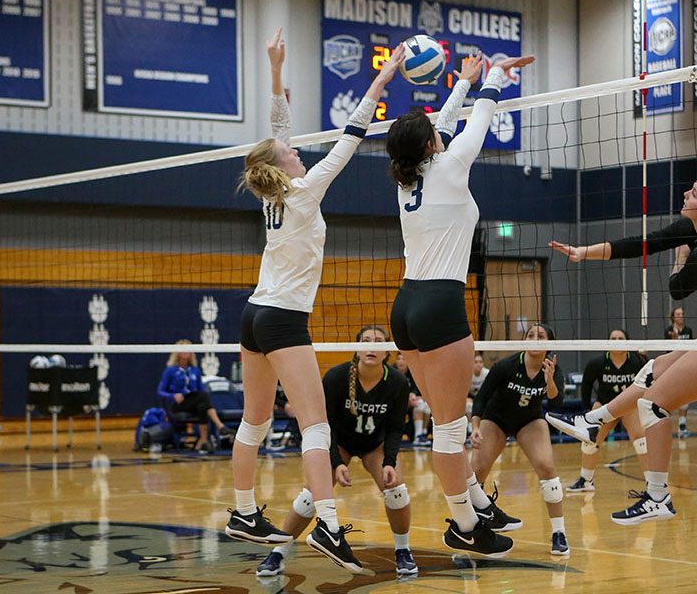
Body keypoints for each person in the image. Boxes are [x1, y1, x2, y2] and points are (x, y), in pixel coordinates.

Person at [225, 28, 404, 574]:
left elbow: (278, 128)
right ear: (283, 166)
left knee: (254, 423)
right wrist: (380, 78)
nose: (298, 149)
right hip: (280, 318)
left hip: (255, 313)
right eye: (292, 152)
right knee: (316, 426)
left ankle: (242, 511)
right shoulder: (302, 190)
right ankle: (327, 525)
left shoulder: (274, 193)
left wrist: (277, 69)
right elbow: (350, 138)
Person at [547, 169, 697, 525]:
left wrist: (683, 253)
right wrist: (581, 252)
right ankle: (595, 421)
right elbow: (644, 243)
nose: (685, 194)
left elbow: (676, 288)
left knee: (653, 404)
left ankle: (657, 497)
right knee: (654, 369)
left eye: (694, 193)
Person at [385, 51, 535, 557]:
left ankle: (476, 505)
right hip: (440, 307)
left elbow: (442, 129)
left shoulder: (407, 179)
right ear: (430, 145)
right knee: (449, 433)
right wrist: (492, 75)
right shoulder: (448, 166)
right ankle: (465, 526)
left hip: (406, 307)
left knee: (447, 420)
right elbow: (483, 119)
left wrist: (461, 83)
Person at [255, 326, 418, 577]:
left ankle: (403, 552)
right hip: (338, 442)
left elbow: (396, 429)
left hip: (375, 445)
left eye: (377, 342)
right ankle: (278, 553)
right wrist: (336, 461)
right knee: (312, 494)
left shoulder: (397, 382)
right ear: (356, 348)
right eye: (365, 341)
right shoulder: (337, 377)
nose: (370, 347)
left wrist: (389, 461)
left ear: (388, 351)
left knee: (396, 489)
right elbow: (324, 425)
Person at [470, 323, 569, 555]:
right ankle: (474, 528)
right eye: (530, 335)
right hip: (496, 419)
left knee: (547, 468)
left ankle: (559, 532)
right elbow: (481, 398)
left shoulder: (553, 369)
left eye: (541, 336)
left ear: (550, 344)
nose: (535, 339)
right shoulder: (505, 366)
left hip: (529, 421)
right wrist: (474, 427)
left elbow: (555, 404)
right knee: (477, 469)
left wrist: (550, 380)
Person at [566, 330, 648, 493]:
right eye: (613, 338)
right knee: (590, 439)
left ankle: (652, 483)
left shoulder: (638, 361)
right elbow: (587, 384)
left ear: (628, 342)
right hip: (605, 405)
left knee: (640, 439)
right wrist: (586, 411)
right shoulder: (597, 363)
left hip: (629, 406)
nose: (617, 341)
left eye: (621, 338)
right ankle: (586, 480)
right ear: (607, 342)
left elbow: (648, 383)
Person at [157, 341, 233, 453]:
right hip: (178, 404)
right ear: (177, 352)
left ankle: (203, 441)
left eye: (189, 349)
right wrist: (173, 396)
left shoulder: (194, 370)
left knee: (203, 406)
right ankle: (220, 426)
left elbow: (201, 389)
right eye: (183, 349)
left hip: (193, 402)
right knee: (203, 397)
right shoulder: (171, 370)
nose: (186, 351)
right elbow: (160, 391)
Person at [665, 308, 694, 437]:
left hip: (685, 363)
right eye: (678, 314)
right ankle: (666, 424)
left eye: (682, 314)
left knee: (685, 394)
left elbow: (692, 347)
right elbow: (669, 348)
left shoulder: (688, 330)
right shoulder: (669, 330)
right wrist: (674, 338)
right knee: (670, 395)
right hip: (671, 364)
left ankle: (682, 425)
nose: (681, 316)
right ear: (673, 317)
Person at [466, 352, 490, 441]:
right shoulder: (467, 374)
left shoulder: (487, 373)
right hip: (470, 398)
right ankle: (470, 432)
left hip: (482, 398)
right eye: (476, 362)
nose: (478, 364)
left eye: (480, 362)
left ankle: (487, 432)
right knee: (468, 406)